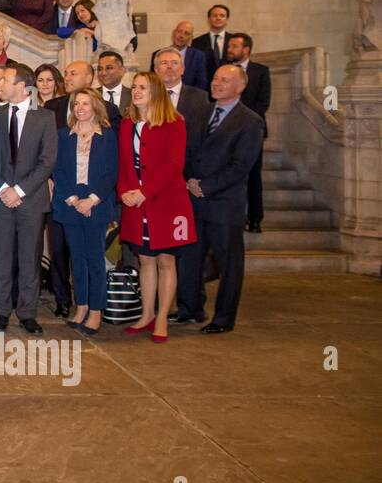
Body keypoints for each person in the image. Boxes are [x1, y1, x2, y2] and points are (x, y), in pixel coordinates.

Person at [177, 65, 265, 333]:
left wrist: (206, 186)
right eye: (215, 78)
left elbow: (241, 166)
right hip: (194, 199)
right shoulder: (199, 112)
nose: (216, 83)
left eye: (224, 80)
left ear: (240, 87)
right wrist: (190, 180)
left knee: (230, 264)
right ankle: (190, 309)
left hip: (225, 203)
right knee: (190, 258)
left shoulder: (250, 121)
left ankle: (224, 319)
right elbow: (188, 151)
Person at [117, 71, 195, 343]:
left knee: (165, 259)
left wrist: (144, 192)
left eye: (143, 88)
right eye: (135, 87)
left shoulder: (173, 122)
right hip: (136, 203)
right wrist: (124, 192)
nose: (136, 92)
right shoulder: (128, 124)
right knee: (145, 260)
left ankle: (162, 316)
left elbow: (174, 165)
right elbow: (124, 164)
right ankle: (147, 313)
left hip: (166, 203)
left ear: (156, 92)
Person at [0, 63, 58, 334]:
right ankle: (1, 311)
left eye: (4, 80)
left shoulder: (44, 117)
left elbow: (47, 161)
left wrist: (18, 190)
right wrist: (4, 188)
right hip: (0, 199)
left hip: (31, 200)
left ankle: (28, 312)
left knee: (30, 259)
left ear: (21, 85)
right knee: (1, 259)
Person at [51, 90, 119, 333]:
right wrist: (73, 199)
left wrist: (90, 200)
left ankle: (96, 310)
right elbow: (57, 170)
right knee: (76, 260)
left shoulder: (108, 136)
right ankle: (81, 305)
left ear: (96, 107)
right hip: (70, 205)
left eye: (85, 103)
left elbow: (111, 172)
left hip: (96, 207)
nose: (80, 108)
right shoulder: (63, 135)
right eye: (76, 103)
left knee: (95, 260)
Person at [226, 33, 271, 233]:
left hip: (252, 132)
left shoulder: (261, 71)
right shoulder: (223, 70)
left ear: (246, 49)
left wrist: (242, 123)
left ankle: (254, 218)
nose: (230, 49)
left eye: (234, 46)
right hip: (226, 133)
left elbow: (263, 103)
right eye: (229, 46)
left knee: (253, 176)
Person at [150, 20, 208, 90]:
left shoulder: (198, 56)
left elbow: (201, 83)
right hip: (163, 96)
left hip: (189, 97)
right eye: (179, 31)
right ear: (174, 33)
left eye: (186, 33)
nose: (181, 36)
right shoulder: (158, 54)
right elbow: (153, 81)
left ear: (191, 38)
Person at [191, 3, 231, 82]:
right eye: (214, 15)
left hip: (229, 86)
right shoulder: (197, 42)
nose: (218, 18)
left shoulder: (233, 40)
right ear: (209, 19)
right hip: (205, 87)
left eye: (222, 16)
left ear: (227, 20)